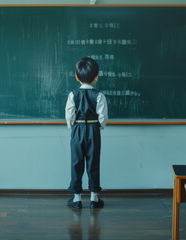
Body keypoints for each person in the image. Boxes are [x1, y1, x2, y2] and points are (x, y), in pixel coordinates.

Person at [65, 57, 108, 209]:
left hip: (77, 129)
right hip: (93, 130)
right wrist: (97, 128)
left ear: (77, 77)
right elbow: (103, 118)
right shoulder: (99, 95)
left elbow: (69, 116)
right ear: (96, 77)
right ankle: (94, 198)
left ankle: (76, 199)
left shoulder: (72, 94)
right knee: (93, 162)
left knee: (76, 163)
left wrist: (74, 127)